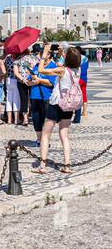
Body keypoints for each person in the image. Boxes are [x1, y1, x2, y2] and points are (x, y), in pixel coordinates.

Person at [33, 47, 82, 175]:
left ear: (67, 58)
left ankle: (42, 165)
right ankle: (67, 165)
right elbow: (64, 63)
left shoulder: (61, 71)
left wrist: (44, 55)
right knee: (64, 135)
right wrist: (61, 55)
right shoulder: (77, 70)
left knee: (45, 134)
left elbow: (41, 70)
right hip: (69, 105)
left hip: (56, 104)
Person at [3, 48, 22, 126]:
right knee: (16, 100)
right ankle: (16, 119)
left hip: (8, 79)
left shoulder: (7, 58)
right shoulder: (18, 59)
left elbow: (6, 68)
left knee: (9, 99)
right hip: (15, 79)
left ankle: (9, 119)